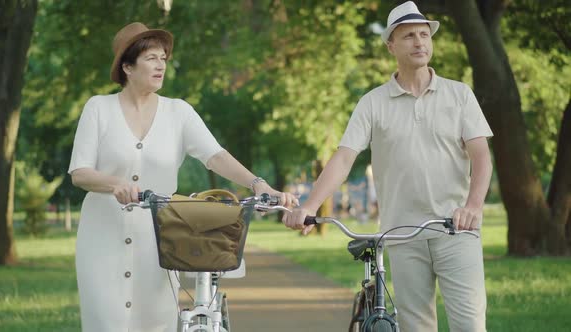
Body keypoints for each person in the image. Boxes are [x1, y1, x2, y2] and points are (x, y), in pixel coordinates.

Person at [68, 22, 296, 332]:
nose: (161, 64)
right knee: (107, 323)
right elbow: (79, 172)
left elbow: (215, 156)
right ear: (127, 67)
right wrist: (115, 184)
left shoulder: (179, 113)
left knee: (156, 322)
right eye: (151, 57)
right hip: (102, 238)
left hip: (160, 239)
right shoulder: (99, 108)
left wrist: (257, 183)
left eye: (163, 57)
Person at [283, 2, 492, 331]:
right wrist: (309, 204)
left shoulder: (459, 95)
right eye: (409, 36)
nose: (420, 42)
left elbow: (481, 156)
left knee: (469, 324)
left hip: (456, 228)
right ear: (391, 46)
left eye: (425, 34)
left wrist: (473, 206)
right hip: (402, 233)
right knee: (415, 326)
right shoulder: (372, 103)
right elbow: (343, 158)